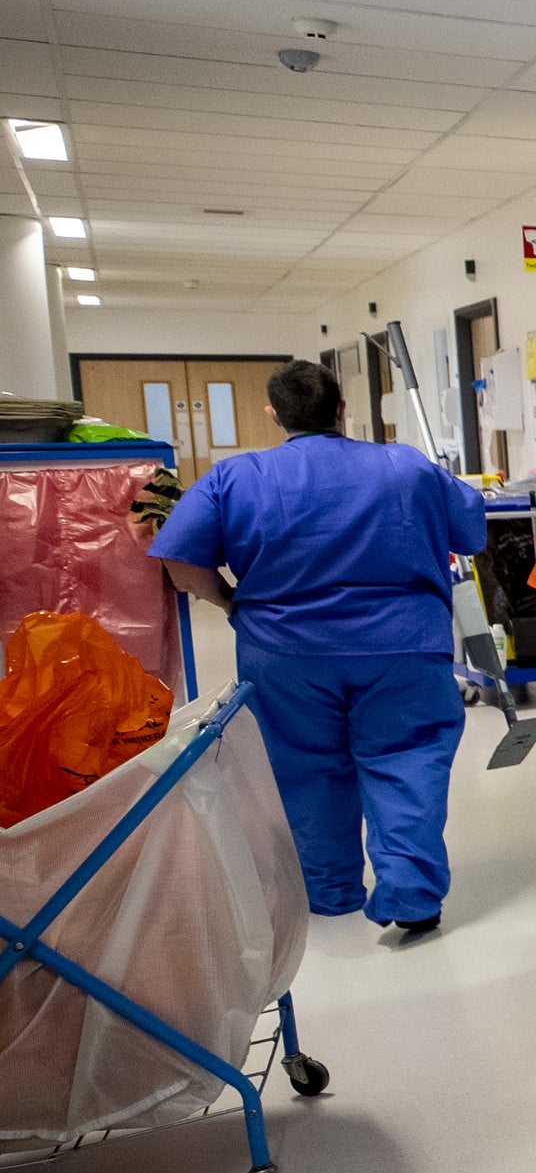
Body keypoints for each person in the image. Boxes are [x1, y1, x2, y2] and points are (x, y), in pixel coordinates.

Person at [150, 359, 486, 936]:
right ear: (341, 409)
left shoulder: (236, 478)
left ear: (274, 415)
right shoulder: (405, 466)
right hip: (401, 647)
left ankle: (331, 893)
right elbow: (471, 533)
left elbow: (180, 564)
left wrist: (230, 603)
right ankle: (411, 893)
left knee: (306, 768)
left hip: (286, 651)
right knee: (408, 760)